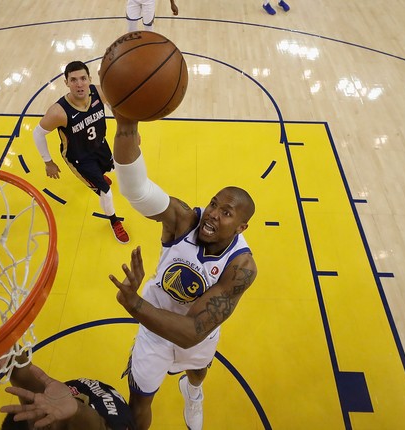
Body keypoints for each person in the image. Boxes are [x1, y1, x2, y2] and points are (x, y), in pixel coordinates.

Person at [107, 111, 258, 430]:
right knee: (138, 405)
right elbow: (136, 190)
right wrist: (125, 123)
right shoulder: (184, 220)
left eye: (226, 212)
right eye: (214, 203)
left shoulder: (241, 267)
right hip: (153, 329)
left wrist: (134, 303)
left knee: (198, 370)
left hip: (193, 333)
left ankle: (194, 392)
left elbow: (192, 332)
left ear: (241, 226)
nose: (213, 214)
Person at [0, 333, 137, 430]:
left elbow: (22, 374)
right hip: (66, 398)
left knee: (37, 399)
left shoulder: (112, 421)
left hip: (100, 403)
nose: (43, 423)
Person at [33, 61, 129, 244]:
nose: (79, 84)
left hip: (100, 145)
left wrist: (127, 129)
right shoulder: (58, 112)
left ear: (89, 79)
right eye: (74, 80)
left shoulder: (99, 92)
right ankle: (114, 221)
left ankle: (100, 175)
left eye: (83, 78)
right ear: (66, 83)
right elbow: (38, 133)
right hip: (80, 159)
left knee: (115, 168)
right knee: (106, 192)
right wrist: (48, 162)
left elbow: (114, 107)